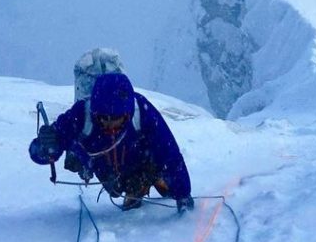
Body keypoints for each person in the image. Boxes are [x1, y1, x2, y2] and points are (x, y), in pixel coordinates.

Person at [30, 72, 194, 212]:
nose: (110, 124)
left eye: (116, 118)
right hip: (106, 170)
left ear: (128, 113)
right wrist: (44, 148)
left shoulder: (142, 113)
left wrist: (183, 195)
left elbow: (169, 154)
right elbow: (42, 149)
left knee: (161, 178)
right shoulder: (80, 115)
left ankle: (150, 181)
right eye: (103, 118)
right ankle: (135, 186)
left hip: (139, 160)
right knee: (115, 190)